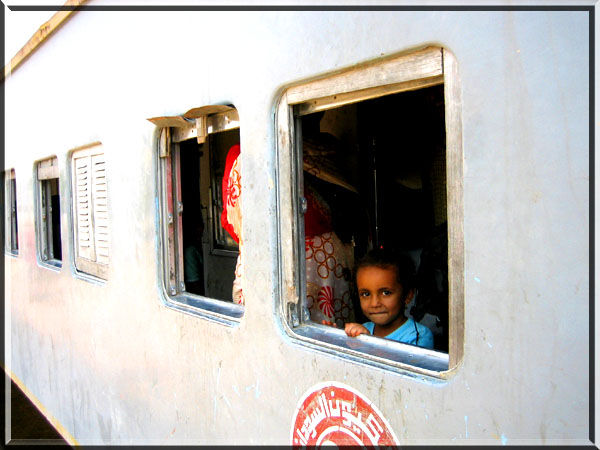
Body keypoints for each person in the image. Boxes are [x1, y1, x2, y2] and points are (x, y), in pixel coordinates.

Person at [323, 248, 434, 349]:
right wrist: (336, 341)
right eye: (366, 294)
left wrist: (367, 343)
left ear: (408, 295)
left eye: (386, 293)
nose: (374, 303)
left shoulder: (418, 335)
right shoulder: (363, 329)